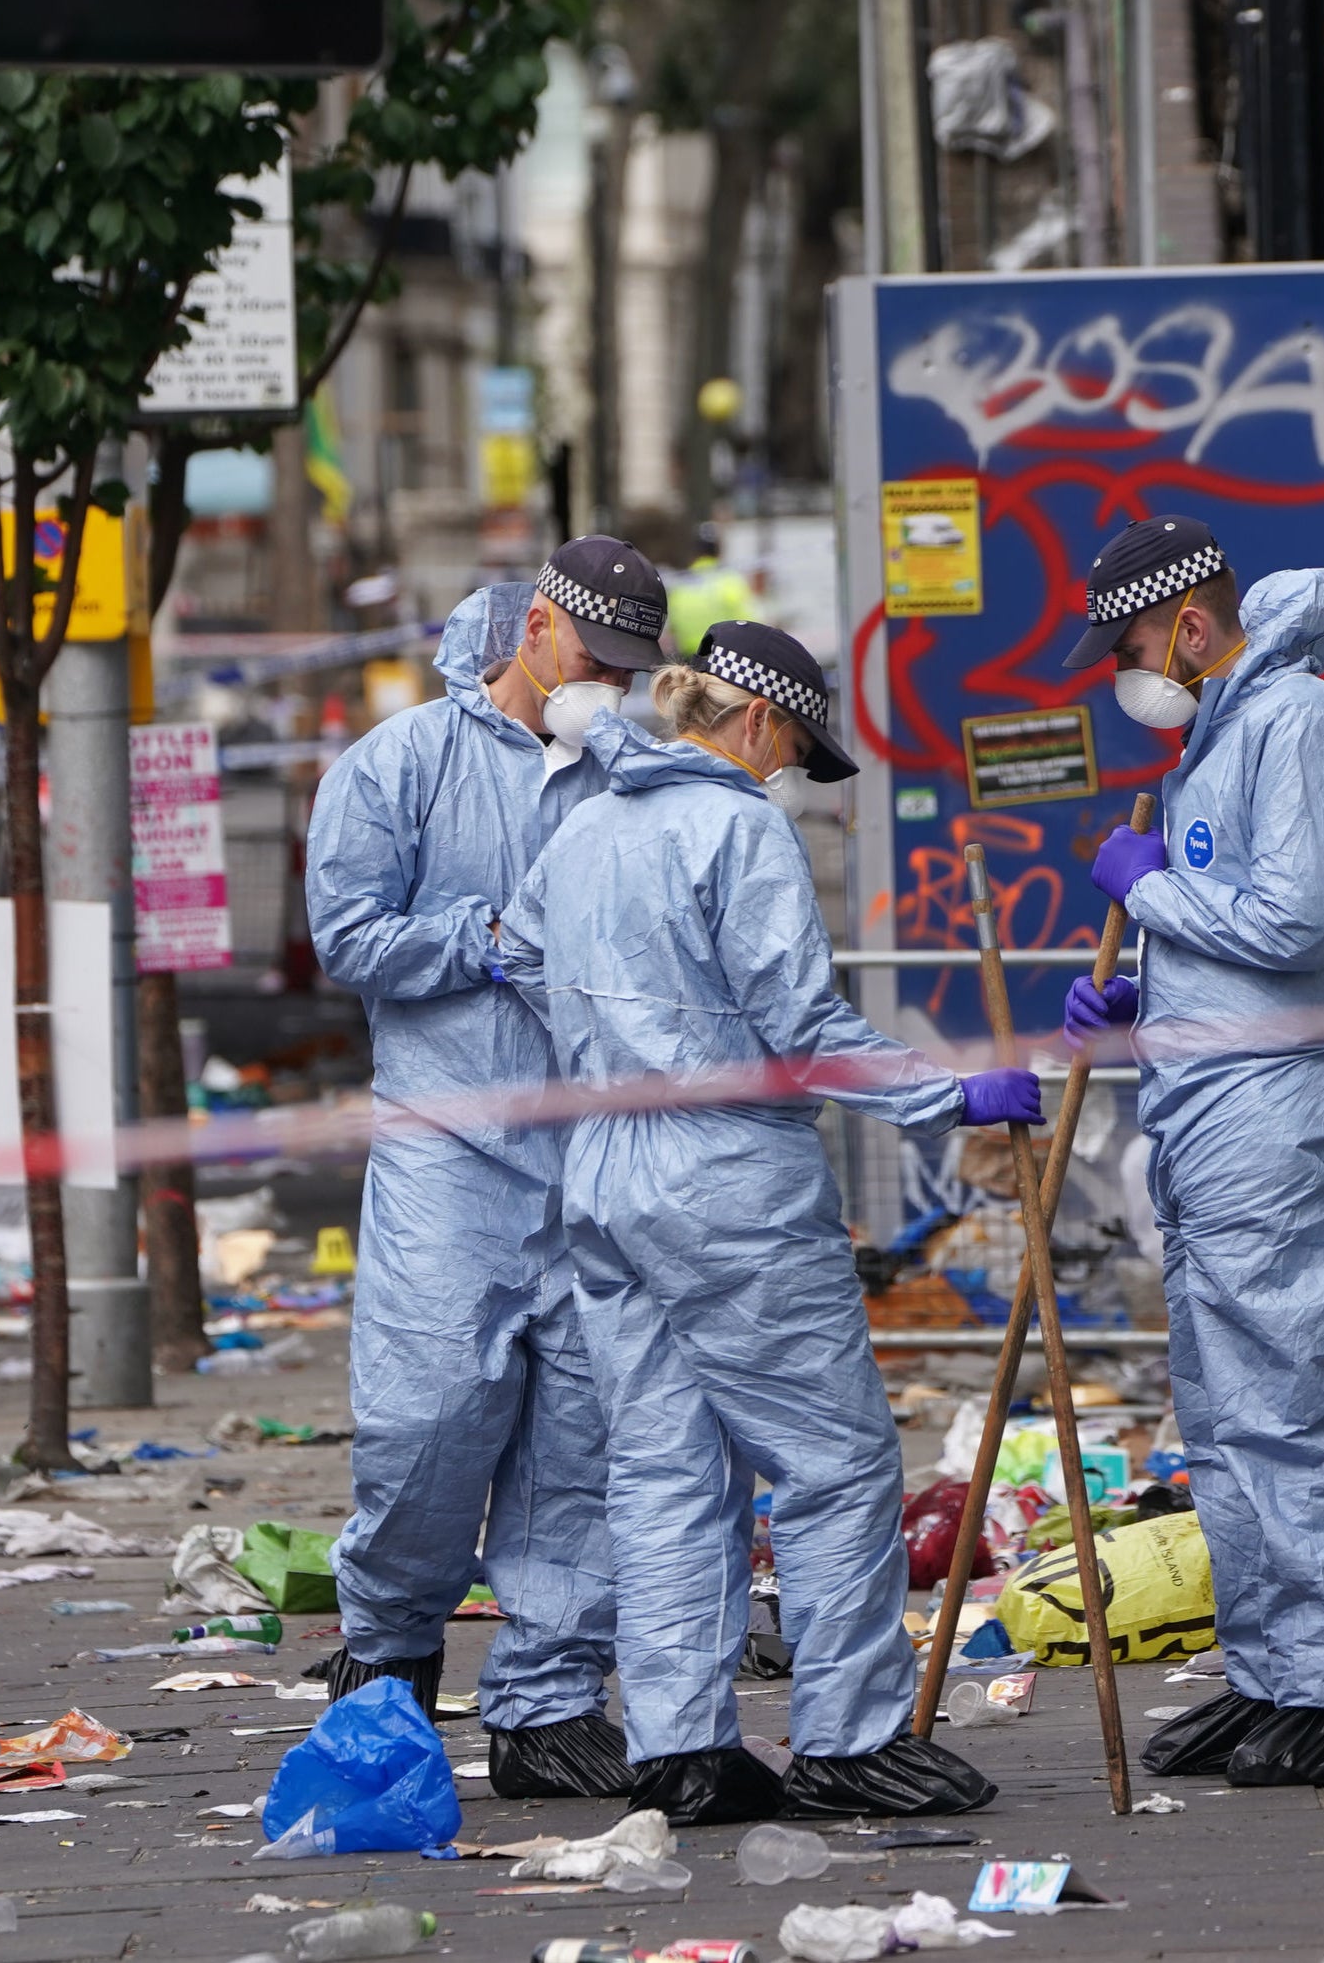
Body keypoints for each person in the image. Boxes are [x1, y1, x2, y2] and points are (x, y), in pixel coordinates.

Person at [508, 620, 1042, 1825]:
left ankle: (680, 1745)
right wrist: (952, 1091)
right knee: (835, 1458)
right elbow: (804, 1033)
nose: (789, 774)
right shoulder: (737, 825)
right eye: (795, 749)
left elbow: (520, 953)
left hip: (606, 1172)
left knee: (661, 1467)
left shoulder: (584, 820)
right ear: (754, 720)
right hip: (723, 1182)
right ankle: (850, 1735)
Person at [301, 537, 669, 1798]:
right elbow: (346, 932)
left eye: (632, 667)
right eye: (597, 656)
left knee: (582, 1430)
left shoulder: (632, 776)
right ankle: (389, 1654)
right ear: (537, 629)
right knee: (428, 1410)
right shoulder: (404, 761)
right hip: (449, 1141)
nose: (609, 683)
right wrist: (483, 940)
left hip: (596, 1146)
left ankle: (549, 1701)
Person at [1056, 517, 1324, 1788]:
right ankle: (1272, 1668)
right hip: (1212, 1109)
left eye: (1132, 645)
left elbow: (1299, 919)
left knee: (1285, 1405)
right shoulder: (1225, 730)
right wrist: (1145, 1000)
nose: (1125, 671)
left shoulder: (1297, 723)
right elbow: (1237, 940)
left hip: (1274, 1112)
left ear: (1192, 628)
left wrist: (1145, 891)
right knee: (1221, 1411)